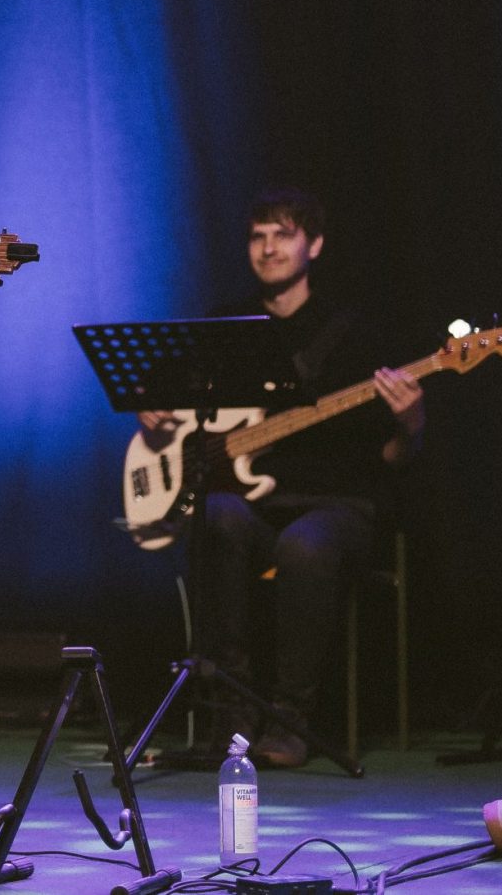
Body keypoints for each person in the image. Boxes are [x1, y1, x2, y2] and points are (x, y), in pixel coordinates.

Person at [138, 186, 423, 767]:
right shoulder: (228, 327)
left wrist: (412, 422)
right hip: (255, 505)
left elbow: (394, 457)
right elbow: (167, 395)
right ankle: (233, 717)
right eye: (258, 236)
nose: (268, 248)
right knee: (215, 515)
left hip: (338, 506)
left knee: (305, 544)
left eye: (283, 235)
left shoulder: (354, 334)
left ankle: (291, 721)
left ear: (313, 245)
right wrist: (152, 404)